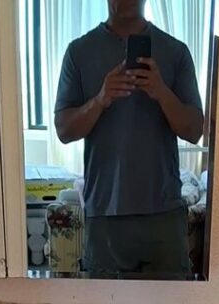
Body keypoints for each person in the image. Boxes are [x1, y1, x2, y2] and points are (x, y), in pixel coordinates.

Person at [54, 0, 204, 280]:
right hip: (105, 217)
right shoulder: (79, 52)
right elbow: (64, 130)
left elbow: (194, 130)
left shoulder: (175, 52)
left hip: (164, 214)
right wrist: (100, 100)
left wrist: (160, 91)